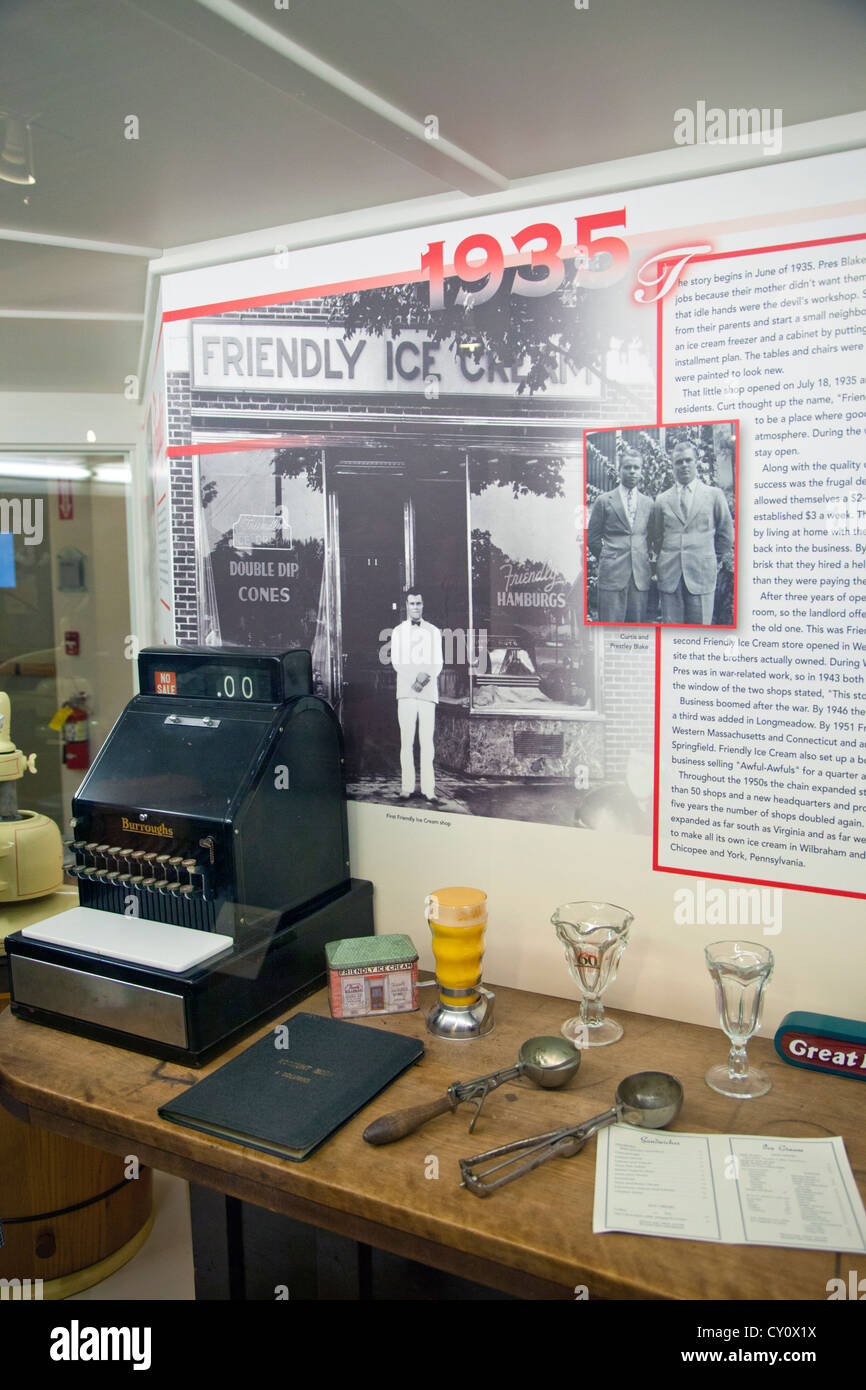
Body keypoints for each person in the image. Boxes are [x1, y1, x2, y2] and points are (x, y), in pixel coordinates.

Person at [652, 441, 734, 625]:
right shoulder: (662, 500)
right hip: (670, 577)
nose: (684, 465)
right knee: (672, 632)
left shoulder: (714, 495)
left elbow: (726, 534)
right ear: (672, 465)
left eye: (688, 460)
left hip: (701, 573)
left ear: (696, 462)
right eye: (678, 462)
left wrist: (711, 557)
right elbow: (657, 537)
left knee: (700, 631)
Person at [586, 449, 654, 622]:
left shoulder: (648, 503)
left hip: (639, 576)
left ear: (641, 471)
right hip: (612, 575)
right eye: (627, 467)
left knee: (636, 628)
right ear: (619, 469)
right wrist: (608, 556)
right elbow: (592, 537)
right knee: (610, 627)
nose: (632, 471)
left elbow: (653, 537)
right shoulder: (604, 500)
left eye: (636, 468)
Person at [390, 592, 443, 802]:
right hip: (406, 693)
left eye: (419, 603)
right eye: (412, 603)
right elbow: (396, 660)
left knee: (427, 742)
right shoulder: (397, 631)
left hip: (428, 694)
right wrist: (414, 678)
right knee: (406, 741)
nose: (415, 607)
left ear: (423, 604)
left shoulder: (434, 631)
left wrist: (424, 678)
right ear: (406, 605)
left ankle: (429, 790)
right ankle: (407, 787)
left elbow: (437, 661)